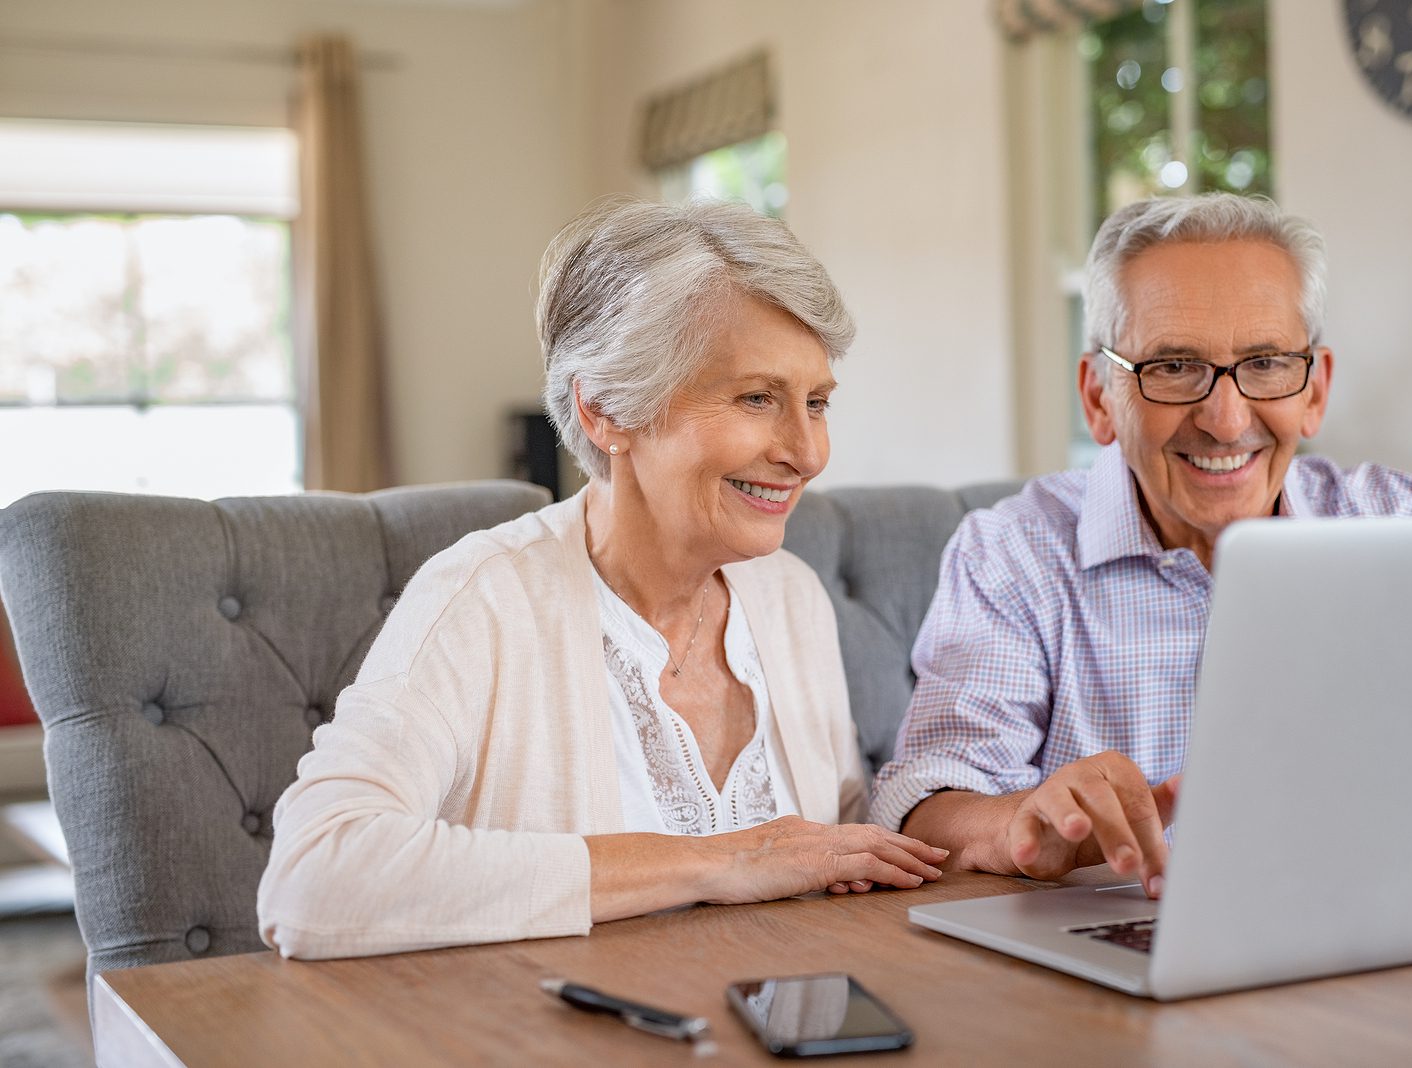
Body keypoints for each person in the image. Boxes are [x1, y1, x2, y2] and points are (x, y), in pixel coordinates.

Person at [258, 198, 946, 959]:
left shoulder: (789, 597)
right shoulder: (482, 600)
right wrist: (722, 862)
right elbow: (312, 876)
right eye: (757, 398)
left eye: (816, 403)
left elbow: (830, 845)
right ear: (606, 410)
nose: (808, 451)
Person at [870, 193, 1412, 901]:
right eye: (1175, 366)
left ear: (1315, 389)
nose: (1225, 418)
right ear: (1099, 398)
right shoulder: (1013, 554)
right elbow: (929, 798)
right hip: (1114, 960)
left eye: (1268, 363)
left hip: (1390, 924)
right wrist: (1018, 828)